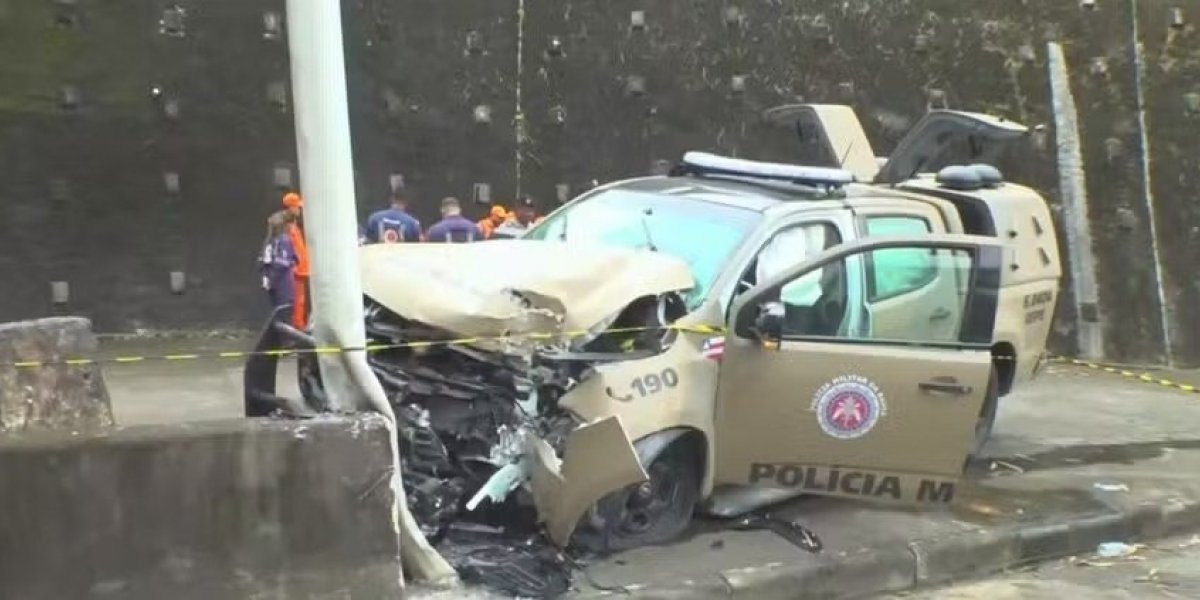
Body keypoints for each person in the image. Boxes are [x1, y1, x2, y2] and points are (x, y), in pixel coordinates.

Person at [281, 192, 310, 329]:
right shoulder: (287, 227)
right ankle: (297, 327)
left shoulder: (293, 226)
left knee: (300, 301)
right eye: (297, 207)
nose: (299, 210)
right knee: (296, 302)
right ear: (290, 208)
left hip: (300, 270)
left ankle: (299, 326)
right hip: (295, 271)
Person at [259, 210, 298, 312]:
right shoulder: (283, 240)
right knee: (285, 308)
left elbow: (263, 261)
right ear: (286, 225)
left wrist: (267, 278)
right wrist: (272, 278)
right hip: (283, 283)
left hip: (274, 282)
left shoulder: (271, 240)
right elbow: (281, 263)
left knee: (279, 307)